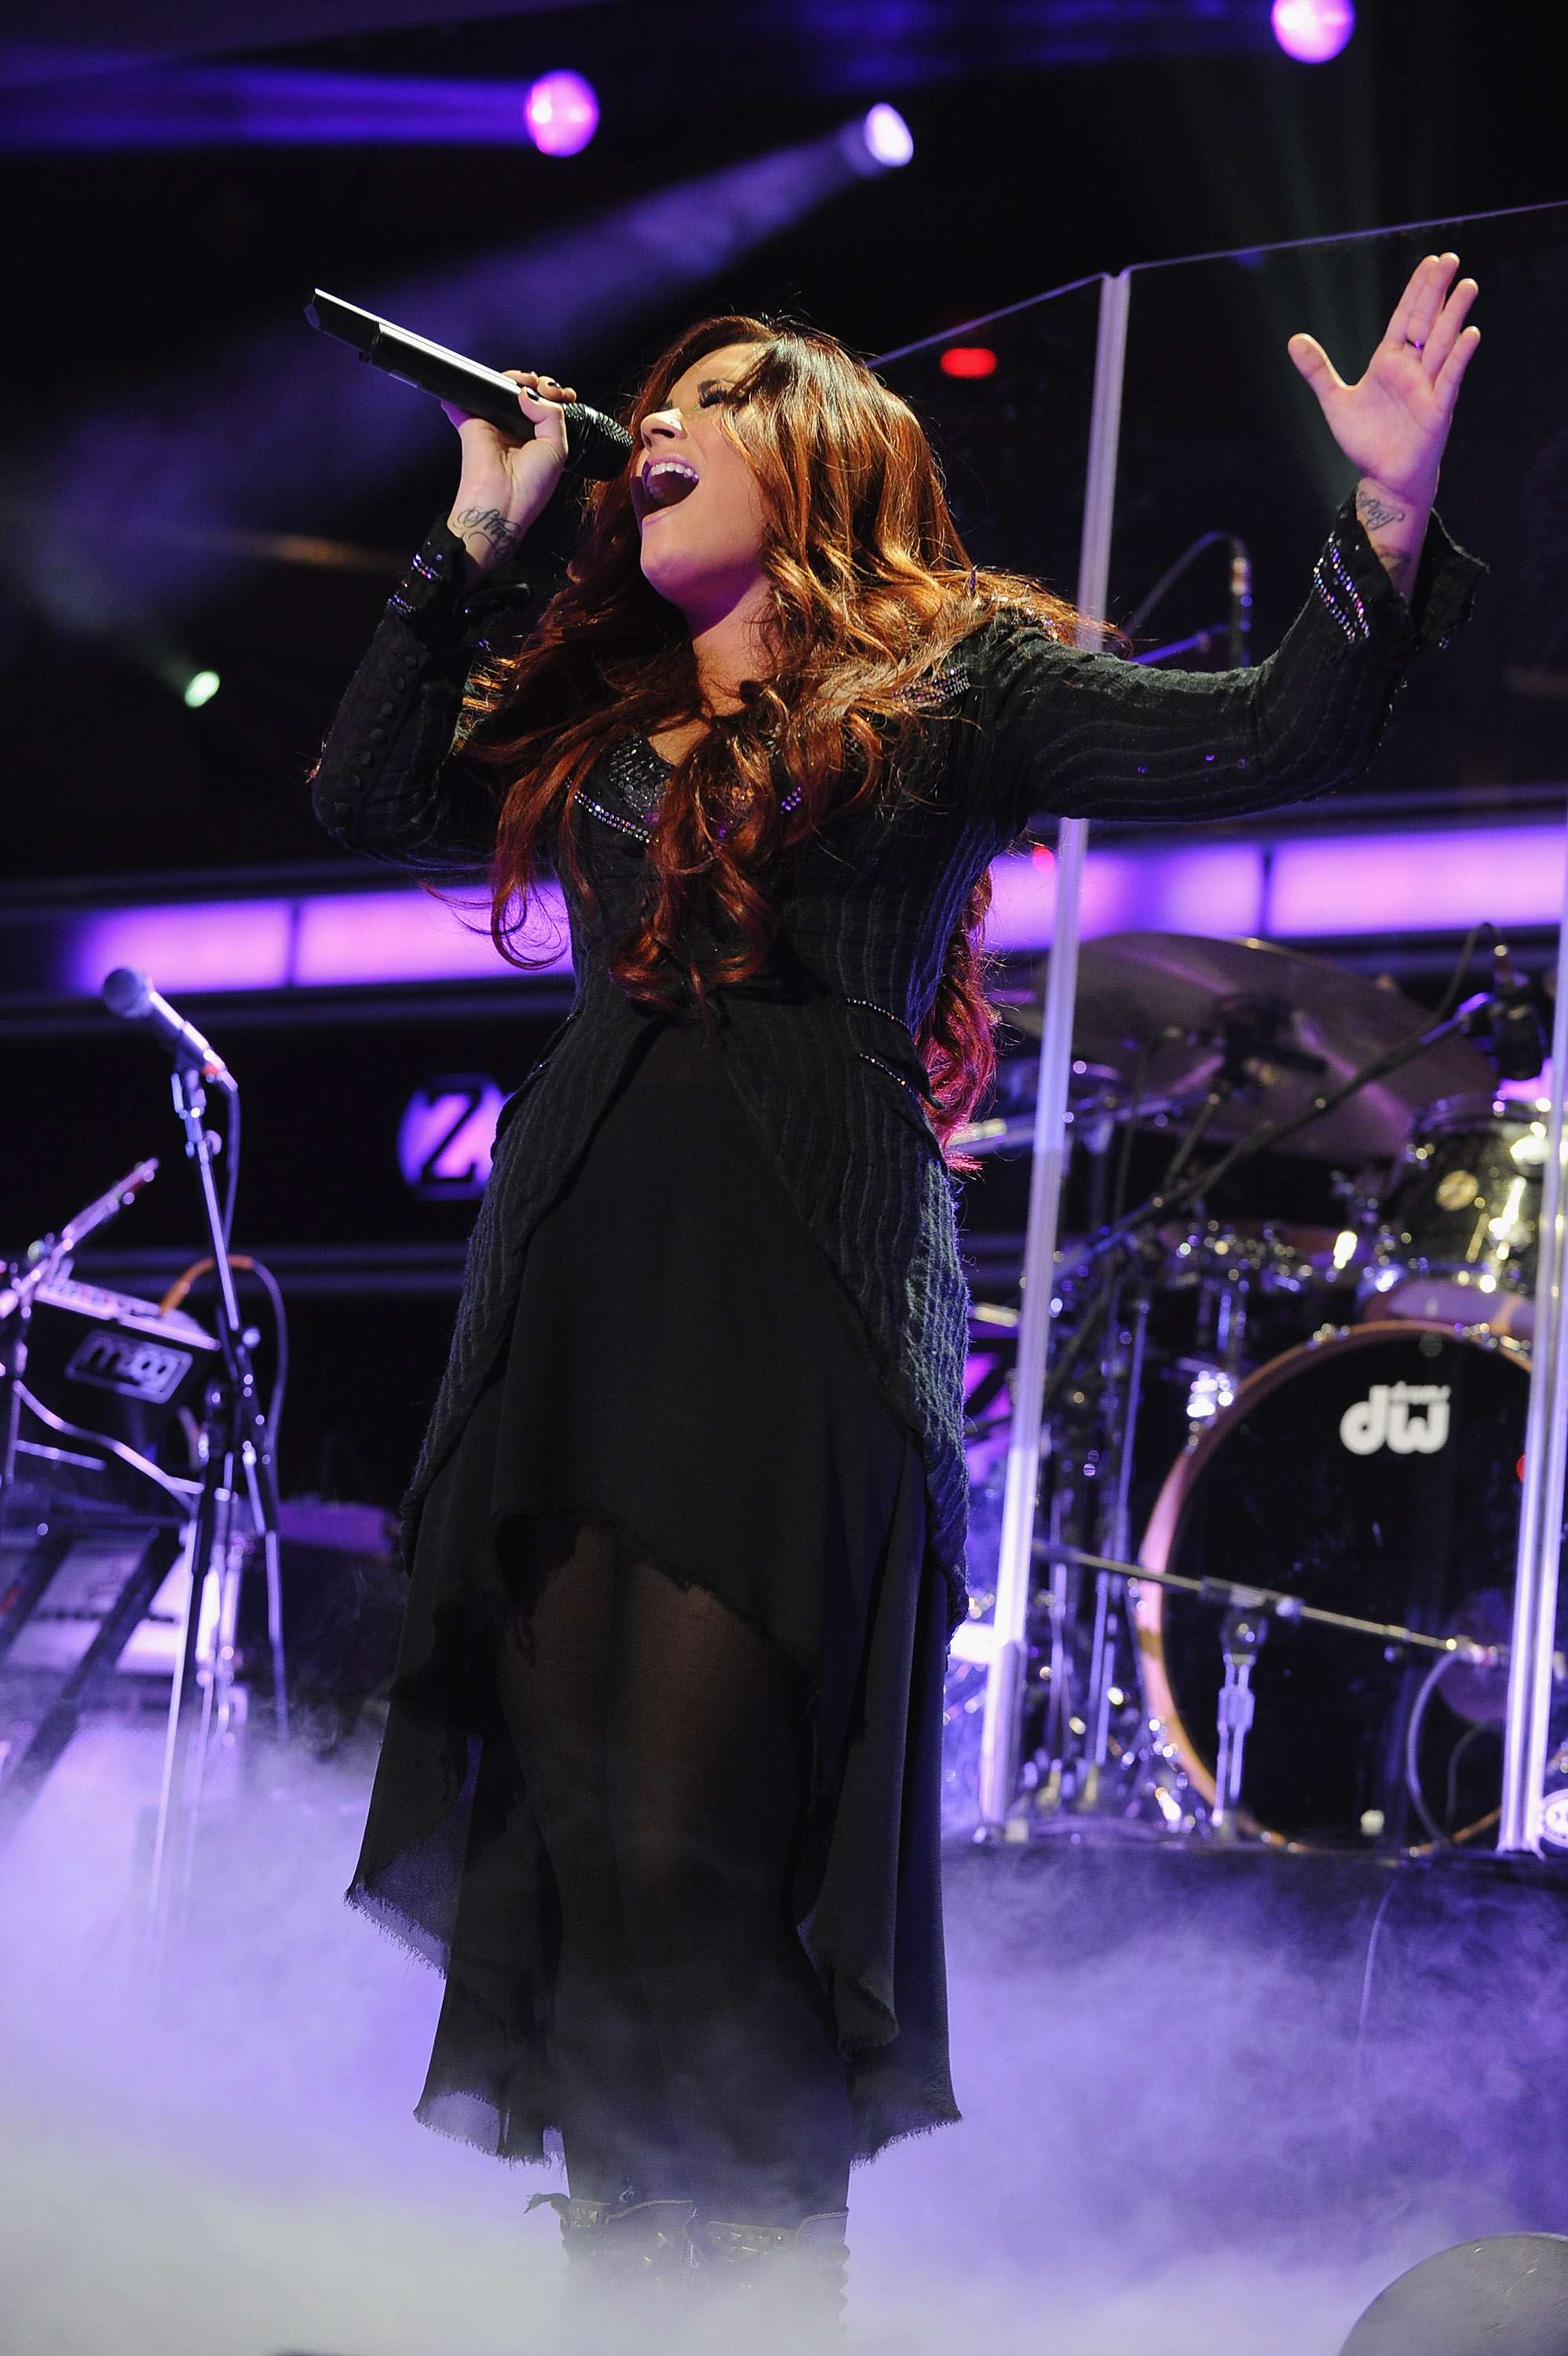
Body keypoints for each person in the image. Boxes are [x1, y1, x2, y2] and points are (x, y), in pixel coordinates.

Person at [312, 254, 1482, 2319]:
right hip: (577, 1275)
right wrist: (475, 534)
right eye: (652, 405)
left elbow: (1259, 733)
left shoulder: (961, 685)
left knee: (700, 1854)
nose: (656, 426)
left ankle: (770, 2309)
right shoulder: (610, 716)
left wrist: (1383, 523)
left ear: (822, 460)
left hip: (798, 1285)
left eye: (712, 402)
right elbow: (369, 790)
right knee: (589, 1856)